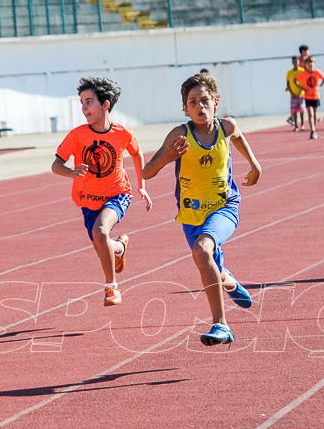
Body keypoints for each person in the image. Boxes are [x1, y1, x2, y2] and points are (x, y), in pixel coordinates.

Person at [143, 72, 261, 346]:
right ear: (185, 108)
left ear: (216, 103)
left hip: (224, 207)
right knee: (208, 262)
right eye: (193, 102)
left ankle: (221, 325)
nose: (199, 106)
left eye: (204, 100)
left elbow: (238, 135)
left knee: (202, 250)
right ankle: (227, 280)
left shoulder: (226, 127)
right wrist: (168, 158)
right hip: (191, 215)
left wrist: (255, 165)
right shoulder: (178, 135)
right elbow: (147, 173)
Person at [51, 77, 152, 307]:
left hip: (118, 193)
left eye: (89, 102)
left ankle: (112, 288)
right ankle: (121, 247)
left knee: (100, 230)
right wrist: (72, 172)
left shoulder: (122, 133)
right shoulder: (77, 135)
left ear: (105, 104)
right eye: (82, 103)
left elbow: (136, 154)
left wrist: (141, 185)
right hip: (88, 200)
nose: (84, 108)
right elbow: (56, 166)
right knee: (101, 241)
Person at [299, 56, 324, 140]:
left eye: (311, 63)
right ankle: (312, 130)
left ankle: (314, 129)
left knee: (315, 113)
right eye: (308, 63)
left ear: (314, 64)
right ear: (306, 65)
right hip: (308, 96)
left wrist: (320, 86)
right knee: (310, 112)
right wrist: (302, 88)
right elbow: (295, 80)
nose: (310, 64)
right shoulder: (303, 73)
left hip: (316, 95)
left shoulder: (317, 72)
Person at [285, 56, 306, 132]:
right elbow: (288, 83)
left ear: (298, 62)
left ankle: (302, 125)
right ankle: (296, 125)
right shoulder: (289, 72)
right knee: (294, 111)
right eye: (294, 62)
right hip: (293, 95)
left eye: (296, 61)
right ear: (292, 62)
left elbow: (304, 82)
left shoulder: (302, 71)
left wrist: (300, 92)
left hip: (301, 94)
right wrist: (292, 93)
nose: (295, 63)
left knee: (302, 110)